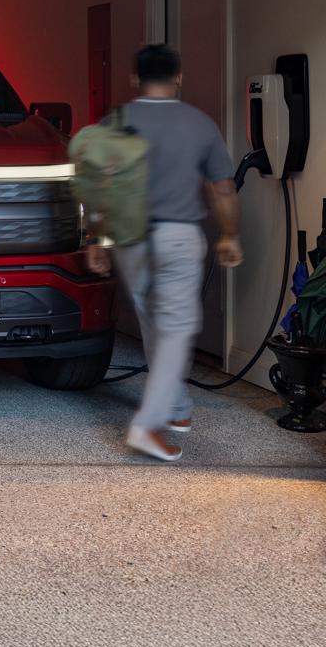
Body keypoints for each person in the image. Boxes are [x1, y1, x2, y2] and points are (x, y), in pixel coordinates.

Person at [84, 43, 242, 463]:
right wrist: (229, 235)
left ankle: (176, 406)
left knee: (156, 323)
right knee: (174, 328)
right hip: (177, 237)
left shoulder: (115, 122)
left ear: (134, 80)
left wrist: (98, 240)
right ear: (179, 77)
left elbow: (100, 189)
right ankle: (147, 425)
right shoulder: (199, 123)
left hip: (131, 238)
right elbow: (223, 188)